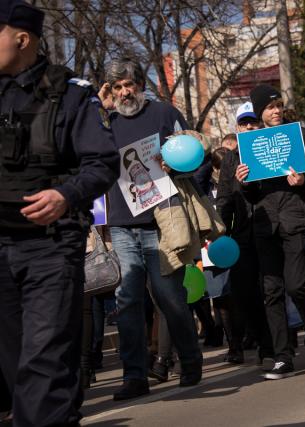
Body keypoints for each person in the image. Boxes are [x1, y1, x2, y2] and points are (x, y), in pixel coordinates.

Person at [0, 2, 120, 424]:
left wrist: (66, 195)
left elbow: (103, 162)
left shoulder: (71, 94)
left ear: (22, 37)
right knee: (16, 369)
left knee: (43, 365)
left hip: (50, 248)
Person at [98, 58, 204, 400]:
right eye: (118, 87)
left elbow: (194, 159)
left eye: (130, 84)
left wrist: (172, 166)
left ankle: (189, 361)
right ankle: (134, 376)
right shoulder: (104, 121)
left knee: (169, 297)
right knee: (127, 299)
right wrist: (97, 113)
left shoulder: (163, 114)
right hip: (122, 225)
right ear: (110, 92)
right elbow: (86, 160)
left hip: (162, 221)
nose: (125, 91)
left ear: (140, 84)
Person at [235, 85, 305, 379]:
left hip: (296, 220)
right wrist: (245, 183)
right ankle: (282, 356)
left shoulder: (299, 136)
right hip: (266, 225)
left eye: (278, 105)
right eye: (269, 108)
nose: (275, 111)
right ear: (260, 113)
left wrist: (303, 180)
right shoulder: (250, 144)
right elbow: (252, 197)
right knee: (272, 291)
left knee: (295, 285)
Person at [216, 103, 274, 366]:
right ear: (237, 128)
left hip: (270, 230)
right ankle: (254, 342)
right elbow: (225, 199)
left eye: (253, 123)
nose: (249, 127)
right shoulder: (229, 159)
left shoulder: (271, 149)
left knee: (272, 289)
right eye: (244, 124)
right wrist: (220, 231)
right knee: (242, 292)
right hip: (241, 234)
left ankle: (274, 344)